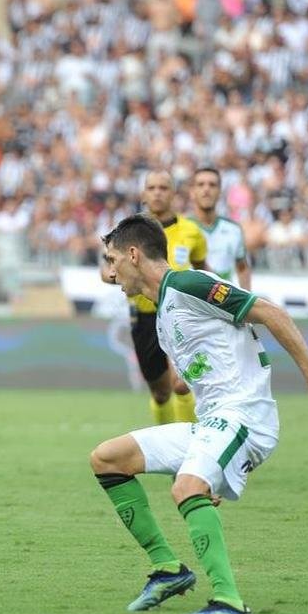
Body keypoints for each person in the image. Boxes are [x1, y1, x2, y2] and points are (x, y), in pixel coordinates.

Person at [91, 214, 308, 614]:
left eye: (112, 259)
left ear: (134, 254)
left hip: (245, 416)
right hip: (212, 423)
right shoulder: (163, 314)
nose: (110, 271)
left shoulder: (189, 283)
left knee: (186, 487)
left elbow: (271, 313)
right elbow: (195, 374)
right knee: (107, 458)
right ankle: (168, 569)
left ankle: (227, 600)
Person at [101, 170, 207, 425]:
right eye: (152, 188)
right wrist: (121, 276)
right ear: (144, 194)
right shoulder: (125, 232)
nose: (158, 193)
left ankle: (189, 445)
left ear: (173, 194)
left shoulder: (191, 232)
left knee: (181, 384)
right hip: (144, 317)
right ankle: (166, 441)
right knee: (160, 393)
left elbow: (203, 269)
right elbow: (107, 271)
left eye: (163, 188)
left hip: (179, 313)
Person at [189, 166, 251, 288]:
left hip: (223, 303)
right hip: (189, 304)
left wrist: (246, 298)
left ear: (220, 191)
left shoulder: (234, 229)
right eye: (201, 185)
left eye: (212, 185)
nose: (206, 189)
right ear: (192, 192)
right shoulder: (182, 227)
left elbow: (242, 267)